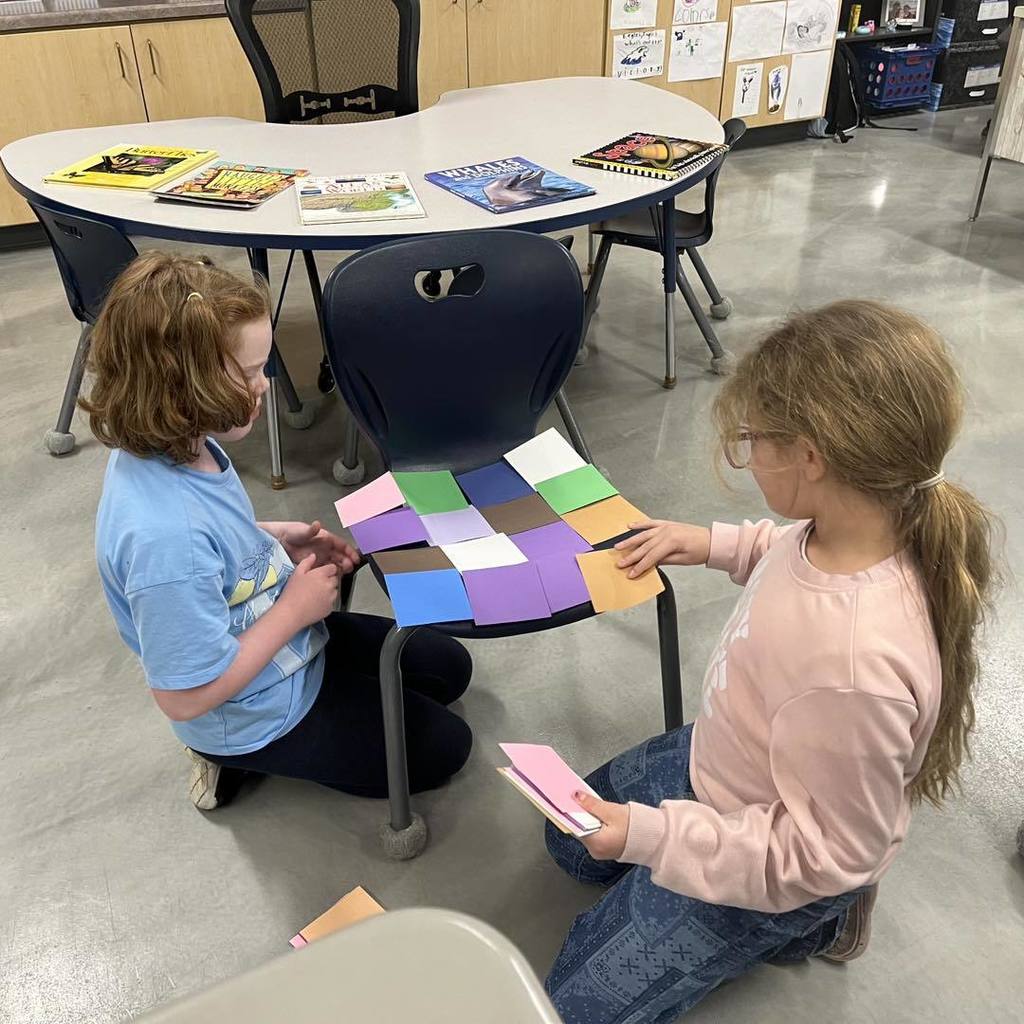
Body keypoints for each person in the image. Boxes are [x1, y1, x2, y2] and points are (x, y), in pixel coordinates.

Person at [544, 301, 997, 1022]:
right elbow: (782, 553)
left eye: (751, 439)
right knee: (565, 842)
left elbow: (826, 855)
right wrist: (711, 542)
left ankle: (810, 923)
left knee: (567, 1010)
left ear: (811, 457)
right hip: (730, 762)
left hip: (789, 852)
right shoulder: (858, 523)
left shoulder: (849, 668)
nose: (746, 452)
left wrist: (650, 835)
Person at [85, 253, 472, 811]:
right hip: (253, 711)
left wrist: (270, 538)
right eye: (246, 372)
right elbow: (184, 695)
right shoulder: (165, 542)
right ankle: (229, 759)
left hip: (283, 643)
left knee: (448, 667)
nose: (264, 384)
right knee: (446, 747)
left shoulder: (180, 445)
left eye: (261, 366)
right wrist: (293, 610)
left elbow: (210, 540)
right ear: (176, 385)